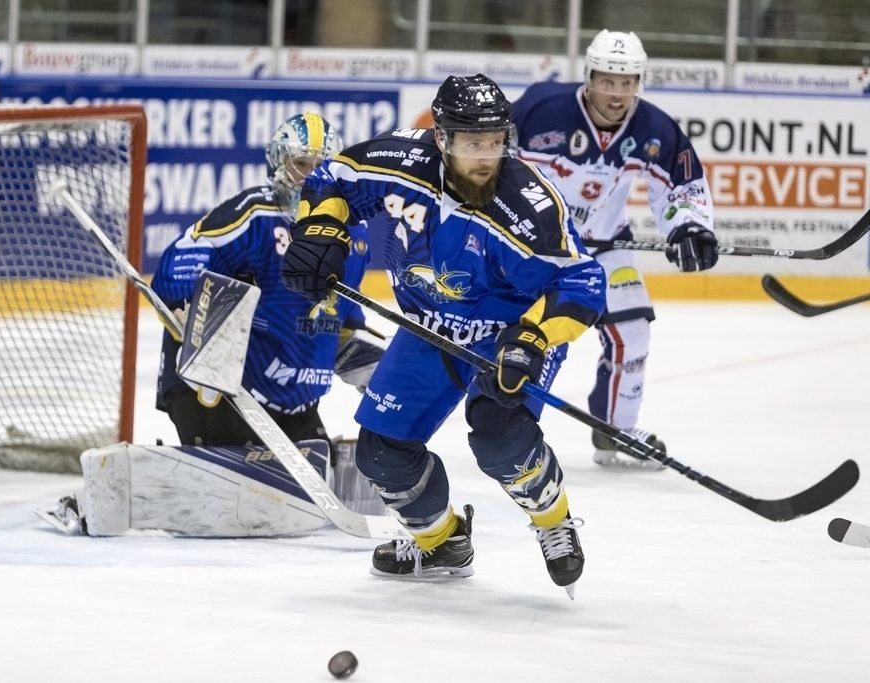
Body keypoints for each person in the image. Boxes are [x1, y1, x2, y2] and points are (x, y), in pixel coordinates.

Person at [281, 74, 606, 595]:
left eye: (496, 142)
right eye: (473, 143)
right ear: (442, 138)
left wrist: (534, 339)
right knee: (381, 454)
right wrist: (321, 227)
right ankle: (443, 542)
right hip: (428, 328)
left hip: (509, 334)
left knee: (501, 437)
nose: (486, 155)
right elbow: (330, 181)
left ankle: (554, 522)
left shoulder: (529, 206)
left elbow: (584, 282)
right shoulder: (394, 164)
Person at [42, 113, 386, 537]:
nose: (313, 178)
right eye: (302, 164)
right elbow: (179, 261)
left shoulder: (356, 236)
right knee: (236, 487)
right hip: (220, 393)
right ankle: (119, 495)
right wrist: (190, 301)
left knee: (307, 491)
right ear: (279, 164)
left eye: (323, 166)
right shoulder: (255, 217)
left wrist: (381, 375)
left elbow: (340, 326)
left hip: (293, 403)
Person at [512, 29, 718, 469]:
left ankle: (615, 431)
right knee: (525, 338)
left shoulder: (655, 128)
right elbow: (493, 164)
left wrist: (689, 227)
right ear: (589, 76)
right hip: (533, 249)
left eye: (628, 82)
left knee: (633, 332)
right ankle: (506, 429)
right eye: (609, 80)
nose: (618, 92)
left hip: (604, 247)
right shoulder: (540, 108)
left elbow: (682, 185)